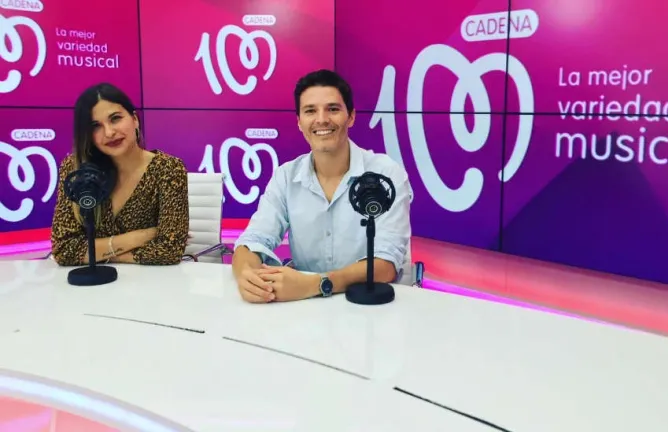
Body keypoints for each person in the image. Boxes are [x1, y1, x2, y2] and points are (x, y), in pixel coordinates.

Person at [232, 69, 412, 303]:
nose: (322, 119)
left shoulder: (385, 175)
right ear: (299, 122)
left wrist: (317, 284)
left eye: (333, 109)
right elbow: (253, 240)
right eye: (310, 111)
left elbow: (386, 264)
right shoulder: (286, 176)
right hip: (306, 307)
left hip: (370, 308)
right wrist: (247, 275)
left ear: (351, 116)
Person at [50, 83, 189, 266]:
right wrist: (140, 237)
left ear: (135, 119)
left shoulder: (168, 168)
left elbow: (169, 250)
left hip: (149, 281)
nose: (109, 132)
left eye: (115, 118)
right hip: (94, 283)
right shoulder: (76, 169)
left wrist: (97, 254)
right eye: (95, 126)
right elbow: (64, 250)